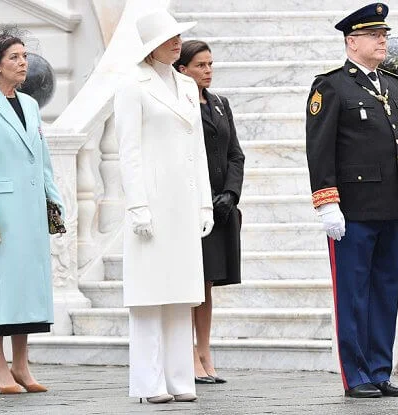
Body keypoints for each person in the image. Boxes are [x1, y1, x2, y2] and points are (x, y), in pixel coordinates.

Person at [305, 3, 398, 399]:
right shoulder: (331, 86)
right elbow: (319, 150)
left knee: (385, 291)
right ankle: (356, 374)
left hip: (391, 207)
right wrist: (327, 202)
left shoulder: (393, 85)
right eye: (375, 36)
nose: (383, 41)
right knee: (354, 294)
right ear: (351, 41)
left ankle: (379, 370)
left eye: (385, 35)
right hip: (353, 210)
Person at [113, 9, 214, 404]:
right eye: (170, 37)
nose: (178, 42)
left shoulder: (188, 87)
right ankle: (148, 381)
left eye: (178, 37)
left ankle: (179, 377)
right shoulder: (131, 85)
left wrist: (204, 204)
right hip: (151, 204)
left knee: (181, 291)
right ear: (152, 45)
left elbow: (198, 151)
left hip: (185, 204)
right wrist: (137, 205)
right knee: (150, 294)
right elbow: (128, 152)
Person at [0, 30, 64, 394]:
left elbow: (43, 159)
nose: (23, 62)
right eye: (15, 57)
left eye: (24, 56)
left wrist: (54, 203)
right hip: (1, 214)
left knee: (27, 289)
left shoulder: (31, 105)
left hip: (32, 211)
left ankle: (22, 366)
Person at [174, 40, 245, 385]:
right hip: (192, 205)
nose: (207, 71)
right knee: (192, 282)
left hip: (222, 207)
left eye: (210, 64)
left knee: (209, 283)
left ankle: (204, 351)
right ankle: (187, 353)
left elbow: (235, 154)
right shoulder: (178, 105)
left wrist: (230, 193)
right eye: (200, 65)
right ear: (182, 69)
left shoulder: (220, 104)